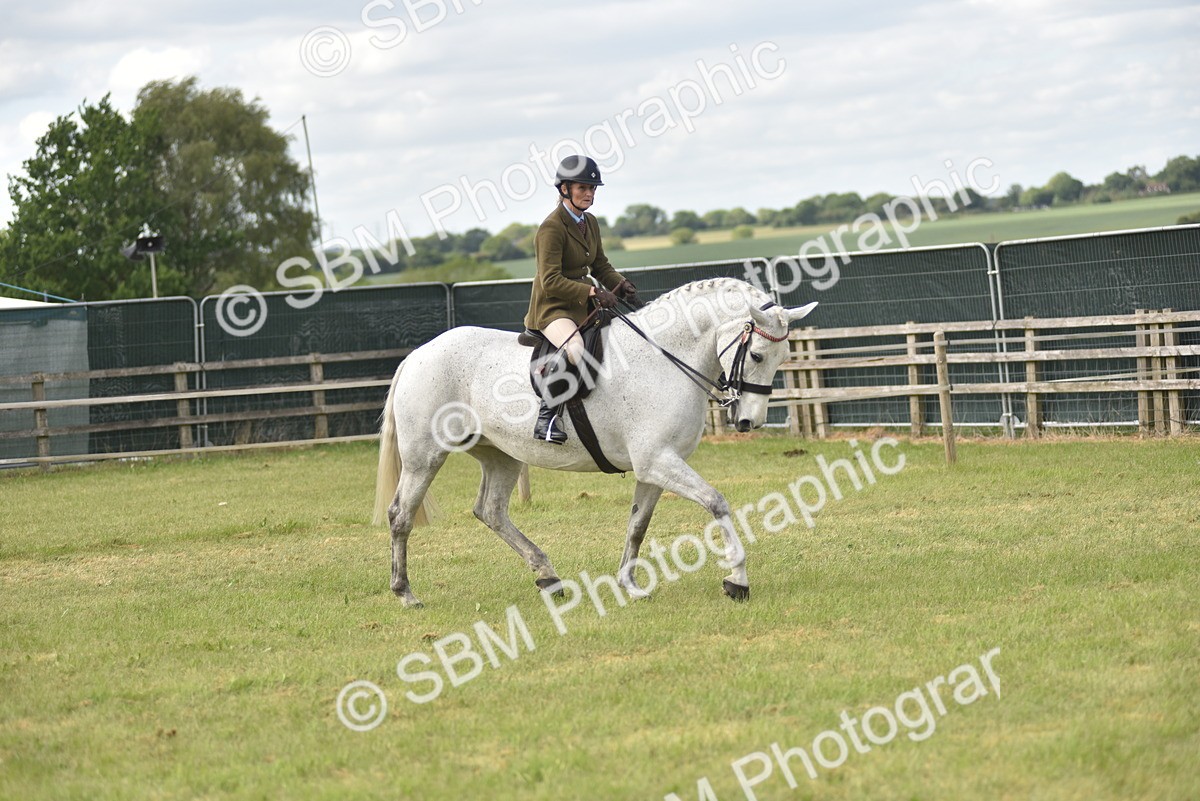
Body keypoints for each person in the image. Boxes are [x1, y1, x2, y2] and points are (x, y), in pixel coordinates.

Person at [524, 155, 638, 444]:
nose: (589, 194)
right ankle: (547, 418)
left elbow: (600, 265)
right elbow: (549, 281)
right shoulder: (551, 228)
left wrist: (619, 284)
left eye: (593, 189)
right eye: (582, 188)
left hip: (583, 306)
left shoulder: (591, 222)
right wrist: (591, 291)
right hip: (553, 308)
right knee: (575, 347)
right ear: (564, 189)